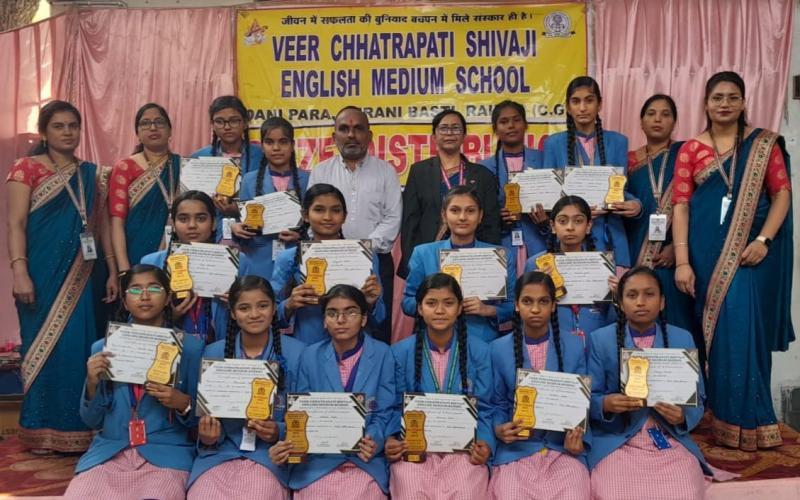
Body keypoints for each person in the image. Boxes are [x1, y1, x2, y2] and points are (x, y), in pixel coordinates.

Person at [672, 71, 793, 451]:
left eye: (732, 96)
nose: (724, 103)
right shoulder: (691, 149)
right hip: (702, 256)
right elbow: (680, 207)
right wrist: (681, 262)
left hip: (746, 257)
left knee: (740, 332)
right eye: (717, 97)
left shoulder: (763, 145)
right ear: (705, 104)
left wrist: (763, 239)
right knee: (709, 337)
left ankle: (751, 420)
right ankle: (720, 419)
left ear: (743, 102)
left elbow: (783, 194)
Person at [6, 100, 116, 453]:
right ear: (44, 132)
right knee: (44, 348)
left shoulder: (93, 174)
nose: (68, 132)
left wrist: (114, 271)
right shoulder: (26, 169)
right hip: (40, 273)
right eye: (59, 126)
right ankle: (41, 429)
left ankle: (81, 429)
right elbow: (16, 224)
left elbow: (103, 230)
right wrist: (19, 271)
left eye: (73, 126)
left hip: (86, 275)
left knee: (81, 348)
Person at [64, 265, 203, 500]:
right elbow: (91, 420)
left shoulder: (189, 347)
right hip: (110, 452)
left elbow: (198, 420)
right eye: (135, 290)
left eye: (154, 288)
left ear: (169, 297)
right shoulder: (103, 348)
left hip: (165, 454)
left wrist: (183, 403)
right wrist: (91, 383)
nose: (145, 296)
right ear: (125, 301)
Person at [587, 267, 709, 499]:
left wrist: (682, 417)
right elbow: (590, 398)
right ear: (620, 303)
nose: (640, 302)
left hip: (669, 436)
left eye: (649, 294)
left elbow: (698, 398)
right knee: (614, 491)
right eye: (632, 295)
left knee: (685, 490)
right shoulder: (601, 340)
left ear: (662, 302)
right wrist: (606, 404)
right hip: (618, 441)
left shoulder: (681, 338)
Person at [270, 285, 395, 499]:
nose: (341, 319)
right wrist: (291, 440)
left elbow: (386, 410)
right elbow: (299, 411)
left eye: (351, 312)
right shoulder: (309, 355)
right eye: (332, 313)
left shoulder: (383, 353)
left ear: (364, 319)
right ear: (324, 322)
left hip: (364, 459)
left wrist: (374, 439)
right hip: (318, 459)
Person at [187, 276, 304, 500]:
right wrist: (209, 436)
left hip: (269, 456)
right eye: (244, 308)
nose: (254, 314)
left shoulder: (299, 354)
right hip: (220, 454)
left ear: (274, 309)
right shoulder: (212, 353)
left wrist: (278, 431)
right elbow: (199, 421)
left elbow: (306, 417)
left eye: (262, 305)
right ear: (232, 313)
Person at [388, 273, 493, 500]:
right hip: (414, 448)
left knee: (466, 491)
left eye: (448, 303)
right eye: (431, 303)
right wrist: (391, 439)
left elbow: (486, 407)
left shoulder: (480, 351)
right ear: (419, 309)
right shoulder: (399, 352)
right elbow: (392, 406)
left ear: (459, 308)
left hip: (464, 450)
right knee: (411, 490)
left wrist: (486, 442)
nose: (439, 311)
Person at [489, 271, 590, 500]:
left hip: (561, 449)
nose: (535, 309)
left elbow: (581, 403)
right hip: (517, 449)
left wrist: (579, 440)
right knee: (510, 494)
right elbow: (495, 402)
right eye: (527, 301)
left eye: (543, 301)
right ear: (516, 305)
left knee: (573, 493)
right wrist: (498, 428)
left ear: (554, 306)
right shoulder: (497, 349)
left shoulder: (574, 345)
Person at [308, 106, 402, 344]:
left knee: (375, 326)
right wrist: (340, 251)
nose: (351, 135)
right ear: (334, 137)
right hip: (327, 259)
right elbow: (312, 217)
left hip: (377, 261)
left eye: (358, 128)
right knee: (333, 323)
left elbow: (392, 218)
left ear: (369, 136)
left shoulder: (386, 171)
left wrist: (360, 253)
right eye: (344, 129)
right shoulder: (320, 171)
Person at [542, 76, 640, 268]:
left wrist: (636, 205)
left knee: (613, 294)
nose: (583, 108)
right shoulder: (554, 144)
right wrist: (577, 211)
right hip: (570, 239)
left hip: (610, 234)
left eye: (589, 100)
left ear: (600, 104)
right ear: (568, 107)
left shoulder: (618, 142)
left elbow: (620, 190)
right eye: (576, 101)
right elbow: (550, 195)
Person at [271, 183, 385, 344]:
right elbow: (271, 317)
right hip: (307, 344)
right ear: (305, 215)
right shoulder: (287, 258)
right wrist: (289, 304)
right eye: (319, 210)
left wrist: (371, 303)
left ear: (344, 216)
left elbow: (379, 319)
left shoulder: (365, 256)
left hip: (356, 345)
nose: (327, 217)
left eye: (336, 210)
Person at [402, 186, 515, 343]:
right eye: (455, 211)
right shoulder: (423, 254)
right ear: (444, 215)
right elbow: (407, 302)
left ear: (480, 215)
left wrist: (487, 310)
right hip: (435, 339)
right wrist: (435, 305)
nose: (462, 217)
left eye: (470, 211)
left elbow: (513, 306)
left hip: (483, 340)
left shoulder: (501, 256)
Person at [400, 109, 501, 278]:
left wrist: (487, 263)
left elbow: (491, 226)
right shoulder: (419, 172)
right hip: (429, 256)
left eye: (455, 128)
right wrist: (413, 264)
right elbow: (410, 223)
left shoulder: (483, 176)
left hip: (471, 257)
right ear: (434, 136)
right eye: (444, 128)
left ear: (464, 135)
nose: (449, 133)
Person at [625, 94, 694, 334]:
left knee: (676, 321)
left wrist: (676, 247)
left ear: (674, 122)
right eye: (651, 114)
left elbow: (695, 206)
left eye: (666, 114)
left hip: (674, 256)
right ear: (641, 121)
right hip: (636, 248)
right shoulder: (628, 161)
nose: (658, 119)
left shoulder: (685, 154)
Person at [524, 196, 617, 346]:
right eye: (562, 221)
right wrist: (538, 289)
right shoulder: (534, 264)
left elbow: (611, 318)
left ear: (588, 226)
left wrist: (617, 296)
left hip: (594, 341)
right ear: (552, 226)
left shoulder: (604, 263)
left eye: (578, 221)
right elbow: (526, 313)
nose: (570, 227)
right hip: (552, 341)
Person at [140, 190, 227, 344]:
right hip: (168, 346)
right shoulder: (152, 263)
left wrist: (238, 301)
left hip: (220, 348)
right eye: (183, 219)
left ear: (214, 223)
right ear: (173, 224)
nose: (192, 225)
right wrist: (167, 316)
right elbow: (136, 314)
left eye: (201, 218)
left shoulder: (236, 262)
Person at [232, 117, 309, 281]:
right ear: (262, 146)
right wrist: (237, 229)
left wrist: (301, 236)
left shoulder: (308, 179)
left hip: (297, 257)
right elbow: (244, 223)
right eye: (269, 142)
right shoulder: (248, 180)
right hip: (259, 259)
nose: (276, 148)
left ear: (293, 145)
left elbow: (315, 225)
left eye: (283, 142)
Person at [109, 103, 180, 272]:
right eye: (145, 123)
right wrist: (124, 269)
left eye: (159, 122)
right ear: (138, 134)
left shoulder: (183, 165)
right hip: (134, 248)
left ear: (170, 131)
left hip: (176, 254)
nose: (153, 127)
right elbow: (117, 222)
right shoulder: (125, 167)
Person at [479, 100, 548, 262]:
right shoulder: (484, 168)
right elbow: (480, 213)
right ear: (495, 129)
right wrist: (497, 218)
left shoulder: (544, 160)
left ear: (525, 125)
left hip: (539, 241)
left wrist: (546, 220)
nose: (511, 126)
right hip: (502, 245)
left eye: (516, 120)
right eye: (504, 122)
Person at [192, 96, 263, 241]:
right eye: (219, 121)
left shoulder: (262, 156)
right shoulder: (198, 158)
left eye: (234, 120)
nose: (227, 126)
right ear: (212, 124)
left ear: (245, 122)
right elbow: (190, 204)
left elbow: (271, 199)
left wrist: (238, 209)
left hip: (254, 237)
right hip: (210, 238)